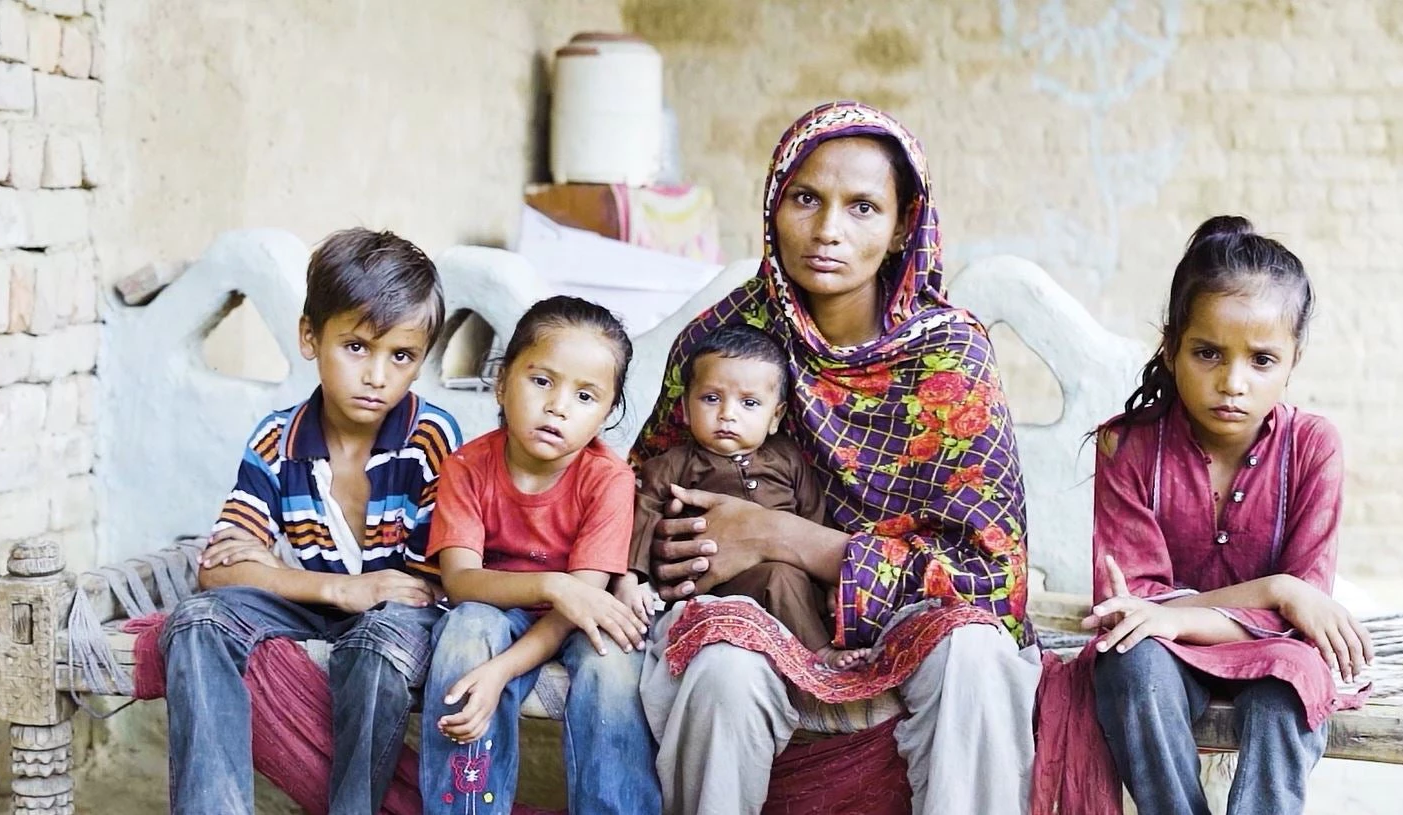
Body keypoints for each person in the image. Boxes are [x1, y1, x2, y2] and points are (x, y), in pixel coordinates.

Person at [632, 101, 1041, 815]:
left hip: (918, 620)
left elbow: (987, 577)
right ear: (771, 205)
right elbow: (645, 500)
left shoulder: (949, 357)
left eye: (861, 207)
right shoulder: (723, 341)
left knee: (974, 654)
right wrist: (669, 550)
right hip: (752, 606)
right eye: (804, 199)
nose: (827, 231)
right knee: (722, 666)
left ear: (902, 225)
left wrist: (781, 534)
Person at [1032, 215, 1372, 815]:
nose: (1232, 383)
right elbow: (1132, 610)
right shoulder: (1127, 447)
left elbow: (1301, 622)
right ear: (1171, 348)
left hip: (1276, 659)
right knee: (1129, 658)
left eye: (1262, 360)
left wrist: (1188, 613)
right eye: (1208, 353)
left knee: (1288, 689)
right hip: (1166, 657)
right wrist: (1276, 590)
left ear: (1293, 360)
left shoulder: (1315, 447)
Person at [161, 228, 460, 814]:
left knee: (377, 645)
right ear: (309, 336)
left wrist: (275, 569)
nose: (377, 376)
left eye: (400, 356)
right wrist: (336, 589)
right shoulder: (276, 439)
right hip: (317, 603)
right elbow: (220, 572)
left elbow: (431, 585)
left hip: (402, 619)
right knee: (199, 621)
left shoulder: (430, 439)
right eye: (355, 347)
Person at [418, 295, 662, 815]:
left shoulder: (608, 480)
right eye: (542, 381)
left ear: (606, 413)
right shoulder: (466, 467)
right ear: (503, 382)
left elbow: (582, 609)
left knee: (614, 662)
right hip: (494, 610)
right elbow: (461, 581)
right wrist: (553, 584)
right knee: (465, 631)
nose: (558, 407)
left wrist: (503, 670)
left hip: (572, 624)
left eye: (585, 396)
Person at [614, 324, 869, 667]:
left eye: (749, 402)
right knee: (780, 576)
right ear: (686, 410)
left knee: (790, 577)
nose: (727, 414)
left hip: (793, 583)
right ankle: (819, 654)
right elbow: (644, 515)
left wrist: (830, 582)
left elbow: (814, 518)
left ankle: (811, 646)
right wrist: (632, 579)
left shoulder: (789, 459)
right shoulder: (673, 464)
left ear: (775, 416)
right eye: (711, 398)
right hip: (712, 586)